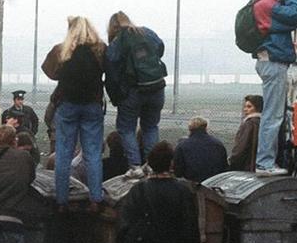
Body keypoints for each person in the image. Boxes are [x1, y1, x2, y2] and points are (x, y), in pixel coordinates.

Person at [41, 16, 106, 209]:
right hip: (92, 104)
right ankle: (95, 198)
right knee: (92, 154)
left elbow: (50, 72)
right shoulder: (100, 50)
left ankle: (62, 200)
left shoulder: (62, 50)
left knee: (63, 154)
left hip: (67, 104)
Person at [252, 0, 297, 176]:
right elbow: (294, 16)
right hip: (273, 62)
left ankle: (267, 161)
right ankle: (265, 163)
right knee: (272, 116)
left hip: (269, 61)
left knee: (272, 114)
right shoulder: (266, 6)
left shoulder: (262, 1)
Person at [104, 11, 167, 168]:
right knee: (151, 127)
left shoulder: (118, 41)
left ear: (112, 28)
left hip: (133, 91)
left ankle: (135, 166)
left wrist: (117, 95)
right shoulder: (146, 32)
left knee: (126, 129)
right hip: (156, 87)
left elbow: (110, 64)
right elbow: (160, 47)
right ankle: (152, 167)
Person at [173, 117, 229, 182]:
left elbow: (178, 172)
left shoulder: (182, 146)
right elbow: (224, 167)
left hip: (192, 182)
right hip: (214, 182)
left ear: (189, 129)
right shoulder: (218, 144)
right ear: (206, 128)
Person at [228, 95, 263, 172]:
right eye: (245, 106)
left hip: (247, 167)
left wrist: (232, 161)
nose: (245, 109)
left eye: (249, 107)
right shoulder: (265, 124)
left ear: (258, 107)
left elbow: (241, 147)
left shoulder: (249, 124)